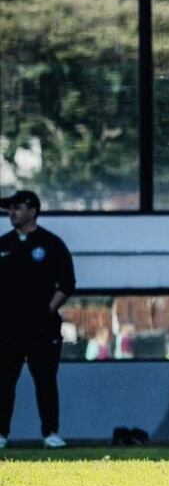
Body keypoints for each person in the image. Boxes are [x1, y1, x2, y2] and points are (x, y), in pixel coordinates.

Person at [0, 190, 76, 449]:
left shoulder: (51, 244)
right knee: (3, 382)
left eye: (17, 208)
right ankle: (1, 434)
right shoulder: (3, 245)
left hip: (42, 329)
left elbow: (67, 284)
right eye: (9, 209)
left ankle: (51, 433)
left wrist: (47, 311)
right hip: (7, 329)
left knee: (45, 380)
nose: (12, 213)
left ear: (32, 210)